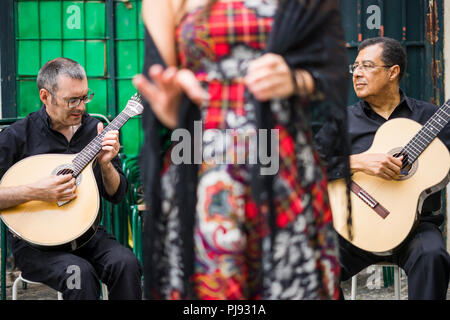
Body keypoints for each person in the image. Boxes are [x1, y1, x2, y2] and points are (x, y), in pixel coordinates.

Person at [133, 0, 350, 299]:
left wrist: (296, 79)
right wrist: (173, 104)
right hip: (202, 171)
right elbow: (157, 86)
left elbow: (333, 77)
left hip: (284, 167)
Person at [317, 37, 450, 300]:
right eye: (354, 67)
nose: (357, 73)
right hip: (351, 227)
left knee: (433, 256)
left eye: (366, 66)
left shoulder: (431, 119)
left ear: (393, 72)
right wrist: (357, 162)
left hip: (414, 228)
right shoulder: (342, 121)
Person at [0, 58, 142, 300]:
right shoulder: (17, 136)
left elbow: (117, 195)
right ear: (45, 96)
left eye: (85, 97)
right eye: (72, 100)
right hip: (38, 245)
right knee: (79, 275)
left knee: (126, 264)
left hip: (88, 234)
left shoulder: (96, 130)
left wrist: (106, 164)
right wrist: (36, 191)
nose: (82, 107)